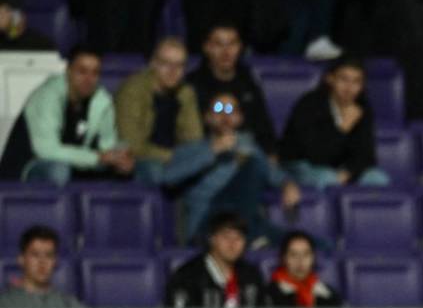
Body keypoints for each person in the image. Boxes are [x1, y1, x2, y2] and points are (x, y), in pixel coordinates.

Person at [173, 90, 300, 245]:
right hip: (208, 225)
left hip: (247, 221)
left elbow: (273, 174)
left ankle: (251, 237)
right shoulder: (192, 149)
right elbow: (169, 177)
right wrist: (212, 151)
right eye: (219, 109)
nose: (225, 116)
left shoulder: (249, 148)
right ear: (207, 117)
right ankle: (252, 238)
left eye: (231, 110)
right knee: (254, 165)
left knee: (311, 245)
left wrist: (287, 183)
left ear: (239, 118)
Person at [0, 45, 134, 184]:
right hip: (26, 170)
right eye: (82, 71)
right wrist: (97, 158)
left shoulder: (102, 102)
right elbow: (46, 150)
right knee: (58, 171)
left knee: (128, 172)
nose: (88, 79)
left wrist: (119, 159)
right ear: (68, 71)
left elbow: (107, 145)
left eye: (95, 73)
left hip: (74, 166)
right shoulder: (47, 96)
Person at [279, 57, 389, 189]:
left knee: (377, 179)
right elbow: (314, 155)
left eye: (356, 82)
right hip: (301, 166)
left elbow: (367, 156)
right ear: (330, 79)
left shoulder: (362, 108)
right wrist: (343, 128)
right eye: (344, 80)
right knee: (328, 179)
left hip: (339, 168)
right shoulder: (310, 104)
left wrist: (349, 172)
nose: (349, 88)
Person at [115, 37, 204, 184]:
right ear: (153, 63)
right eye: (166, 64)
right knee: (157, 171)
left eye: (179, 66)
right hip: (140, 159)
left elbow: (194, 138)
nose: (172, 71)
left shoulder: (186, 92)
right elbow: (133, 146)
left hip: (176, 160)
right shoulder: (133, 91)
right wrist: (177, 157)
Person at [165, 212, 264, 308]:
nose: (232, 244)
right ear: (212, 239)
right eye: (226, 237)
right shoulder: (187, 275)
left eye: (238, 238)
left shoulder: (251, 275)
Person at [187, 22, 277, 158]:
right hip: (206, 153)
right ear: (207, 47)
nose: (226, 52)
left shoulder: (248, 81)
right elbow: (187, 135)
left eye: (232, 44)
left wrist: (271, 156)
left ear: (240, 46)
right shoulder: (192, 85)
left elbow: (264, 128)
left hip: (248, 156)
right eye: (219, 44)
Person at [0, 226, 93, 308]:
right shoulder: (5, 305)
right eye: (35, 255)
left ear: (55, 262)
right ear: (21, 260)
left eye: (48, 256)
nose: (42, 262)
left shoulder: (70, 305)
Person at [265, 231, 353, 308]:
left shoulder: (328, 294)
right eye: (293, 254)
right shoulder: (271, 293)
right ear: (283, 258)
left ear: (313, 257)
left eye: (306, 254)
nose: (300, 261)